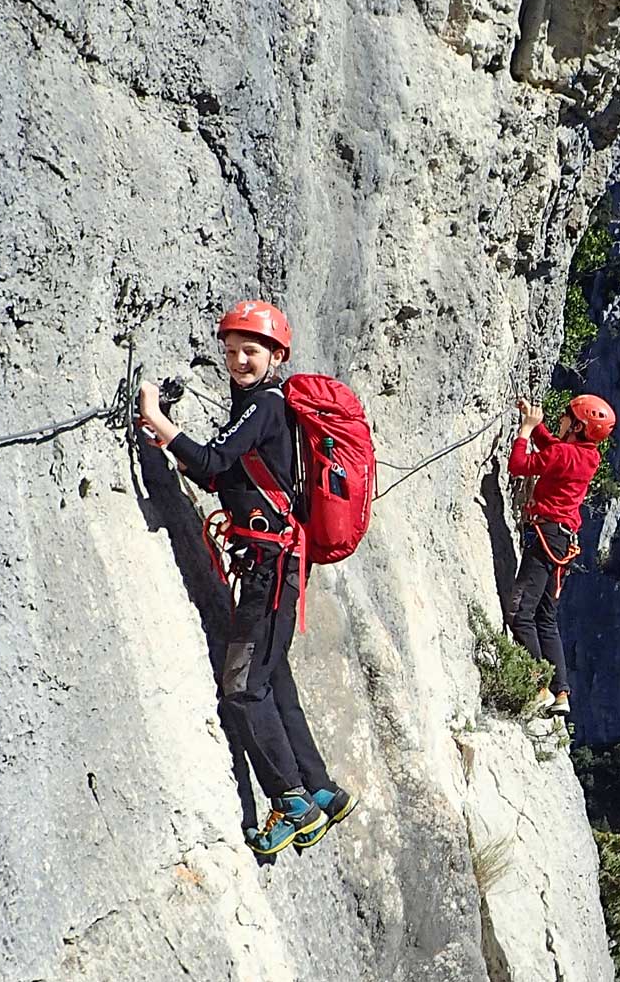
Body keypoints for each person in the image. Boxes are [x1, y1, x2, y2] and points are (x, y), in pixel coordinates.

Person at [137, 299, 354, 856]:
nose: (238, 360)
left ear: (277, 356)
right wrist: (178, 450)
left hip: (268, 569)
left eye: (250, 352)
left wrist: (158, 425)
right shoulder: (260, 409)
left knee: (242, 685)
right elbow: (223, 479)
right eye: (231, 351)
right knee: (273, 677)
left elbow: (212, 463)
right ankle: (323, 789)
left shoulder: (262, 406)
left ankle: (292, 802)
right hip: (275, 563)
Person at [505, 393, 614, 717]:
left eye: (567, 415)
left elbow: (518, 465)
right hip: (562, 541)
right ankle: (561, 692)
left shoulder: (565, 454)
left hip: (545, 537)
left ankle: (539, 687)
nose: (562, 417)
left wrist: (525, 432)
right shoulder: (587, 455)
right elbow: (556, 451)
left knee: (520, 612)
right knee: (545, 617)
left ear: (579, 426)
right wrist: (537, 427)